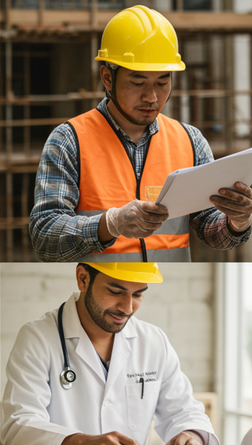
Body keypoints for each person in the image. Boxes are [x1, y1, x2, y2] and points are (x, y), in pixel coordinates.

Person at [29, 4, 252, 262]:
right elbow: (44, 237)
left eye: (162, 82)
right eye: (138, 82)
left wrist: (237, 220)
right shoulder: (69, 141)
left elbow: (210, 229)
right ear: (107, 77)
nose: (152, 97)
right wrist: (109, 224)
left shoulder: (190, 141)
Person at [1, 262, 218, 445]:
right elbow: (17, 424)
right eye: (115, 292)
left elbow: (184, 411)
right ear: (83, 279)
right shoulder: (37, 337)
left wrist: (192, 435)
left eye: (138, 294)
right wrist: (81, 444)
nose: (127, 307)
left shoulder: (153, 340)